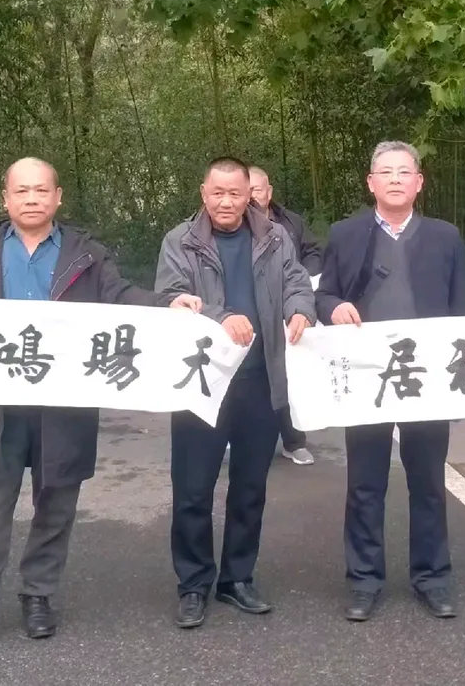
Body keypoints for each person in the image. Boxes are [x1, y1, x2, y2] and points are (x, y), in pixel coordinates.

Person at [0, 157, 199, 656]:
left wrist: (166, 304)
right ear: (5, 199)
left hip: (65, 405)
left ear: (58, 197)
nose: (32, 199)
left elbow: (121, 296)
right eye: (21, 191)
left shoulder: (86, 254)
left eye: (41, 190)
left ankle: (38, 595)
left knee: (55, 506)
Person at [155, 157, 316, 630]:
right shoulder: (180, 241)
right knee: (192, 489)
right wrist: (220, 316)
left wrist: (300, 309)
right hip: (202, 382)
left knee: (250, 489)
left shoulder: (275, 236)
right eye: (217, 193)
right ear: (203, 193)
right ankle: (193, 584)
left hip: (259, 381)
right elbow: (170, 296)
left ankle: (237, 578)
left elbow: (297, 283)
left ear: (251, 195)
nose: (226, 202)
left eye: (235, 193)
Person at [315, 141, 465, 623]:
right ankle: (364, 580)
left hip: (427, 378)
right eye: (386, 172)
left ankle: (433, 578)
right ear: (371, 183)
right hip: (367, 378)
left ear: (419, 183)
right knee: (365, 484)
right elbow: (323, 295)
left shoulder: (445, 236)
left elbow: (462, 309)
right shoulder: (345, 234)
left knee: (428, 483)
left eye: (405, 172)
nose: (396, 179)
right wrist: (333, 308)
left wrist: (460, 379)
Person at [249, 164, 322, 466]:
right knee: (249, 376)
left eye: (256, 189)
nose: (251, 196)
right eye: (245, 190)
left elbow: (313, 251)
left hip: (289, 307)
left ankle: (294, 441)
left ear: (269, 192)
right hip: (250, 312)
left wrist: (304, 281)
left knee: (288, 375)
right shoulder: (229, 225)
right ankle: (243, 440)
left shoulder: (289, 223)